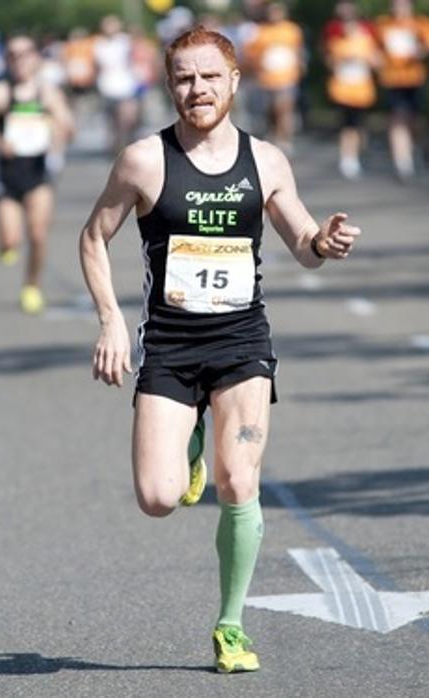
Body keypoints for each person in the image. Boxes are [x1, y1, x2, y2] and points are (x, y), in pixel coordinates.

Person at [78, 26, 360, 674]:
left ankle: (230, 626)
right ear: (169, 85)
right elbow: (94, 238)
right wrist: (111, 323)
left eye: (209, 76)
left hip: (241, 343)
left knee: (240, 481)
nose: (196, 89)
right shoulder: (144, 161)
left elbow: (304, 244)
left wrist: (327, 242)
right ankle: (191, 442)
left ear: (235, 81)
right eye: (183, 78)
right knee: (157, 496)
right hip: (171, 348)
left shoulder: (265, 161)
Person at [0, 35, 74, 315]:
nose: (19, 60)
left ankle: (32, 286)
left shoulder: (48, 93)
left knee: (39, 235)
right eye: (13, 55)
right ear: (7, 60)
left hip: (39, 172)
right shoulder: (1, 93)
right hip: (8, 174)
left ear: (36, 58)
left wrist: (58, 133)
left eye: (25, 53)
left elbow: (67, 126)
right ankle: (5, 242)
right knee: (10, 242)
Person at [374, 0, 429, 181]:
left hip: (414, 79)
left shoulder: (421, 23)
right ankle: (402, 162)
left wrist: (421, 49)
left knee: (414, 120)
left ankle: (414, 146)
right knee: (397, 120)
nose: (398, 7)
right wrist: (376, 59)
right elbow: (373, 48)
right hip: (391, 80)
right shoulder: (383, 24)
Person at [323, 0, 380, 180]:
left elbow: (377, 61)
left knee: (359, 125)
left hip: (362, 90)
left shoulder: (366, 40)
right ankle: (348, 158)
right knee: (348, 125)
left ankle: (358, 153)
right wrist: (342, 60)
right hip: (342, 90)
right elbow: (329, 61)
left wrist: (364, 59)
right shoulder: (336, 42)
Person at [243, 3, 304, 152]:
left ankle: (285, 140)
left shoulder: (292, 30)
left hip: (288, 77)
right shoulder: (260, 31)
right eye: (272, 12)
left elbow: (298, 50)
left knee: (284, 108)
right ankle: (273, 135)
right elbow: (250, 54)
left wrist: (300, 66)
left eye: (278, 11)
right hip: (267, 79)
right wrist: (257, 64)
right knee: (271, 110)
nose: (275, 15)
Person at [93, 16, 140, 154]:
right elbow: (97, 65)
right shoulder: (99, 44)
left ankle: (127, 140)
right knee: (112, 119)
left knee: (127, 117)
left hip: (125, 84)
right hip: (107, 85)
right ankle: (115, 144)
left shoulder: (125, 41)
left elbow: (135, 57)